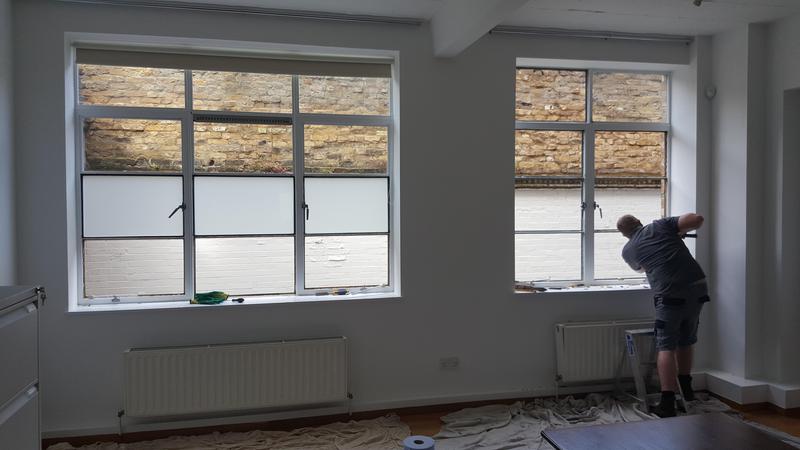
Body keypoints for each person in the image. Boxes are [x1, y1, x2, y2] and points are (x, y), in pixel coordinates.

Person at [617, 213, 709, 418]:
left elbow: (641, 268)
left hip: (670, 294)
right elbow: (697, 219)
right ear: (639, 221)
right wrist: (678, 231)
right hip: (697, 288)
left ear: (624, 234)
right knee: (686, 340)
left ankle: (667, 402)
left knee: (666, 346)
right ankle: (686, 389)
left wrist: (674, 235)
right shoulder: (660, 226)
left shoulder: (628, 250)